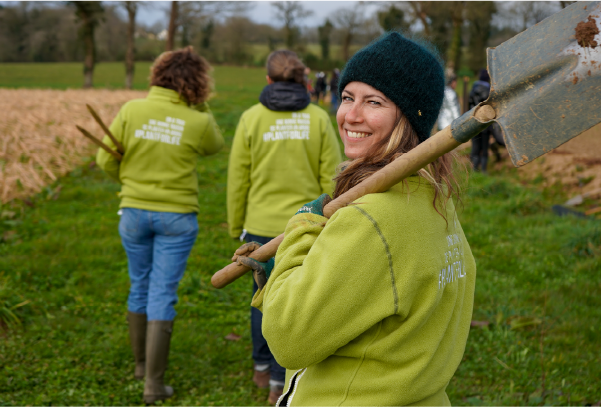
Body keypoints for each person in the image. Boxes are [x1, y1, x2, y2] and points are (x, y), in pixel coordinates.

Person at [238, 32, 476, 406]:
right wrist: (299, 273)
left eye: (374, 101)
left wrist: (302, 226)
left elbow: (287, 340)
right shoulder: (434, 200)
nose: (351, 115)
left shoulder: (370, 219)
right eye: (347, 97)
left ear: (410, 114)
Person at [96, 46, 224, 404]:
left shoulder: (132, 110)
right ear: (198, 83)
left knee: (139, 284)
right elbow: (214, 145)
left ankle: (141, 365)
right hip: (177, 217)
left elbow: (103, 159)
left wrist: (128, 179)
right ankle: (153, 383)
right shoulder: (197, 120)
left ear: (157, 75)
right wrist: (200, 105)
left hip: (134, 212)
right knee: (162, 292)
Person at [226, 49, 342, 404]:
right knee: (297, 301)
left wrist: (236, 224)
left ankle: (262, 368)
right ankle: (281, 377)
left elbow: (238, 177)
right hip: (305, 227)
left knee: (261, 299)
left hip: (260, 228)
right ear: (304, 81)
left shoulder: (251, 118)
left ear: (268, 80)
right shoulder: (319, 118)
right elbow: (332, 176)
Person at [468, 69, 492, 172]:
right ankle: (483, 170)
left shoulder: (472, 90)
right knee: (485, 147)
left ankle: (474, 169)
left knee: (475, 147)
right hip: (485, 125)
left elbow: (469, 107)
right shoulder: (489, 92)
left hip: (474, 123)